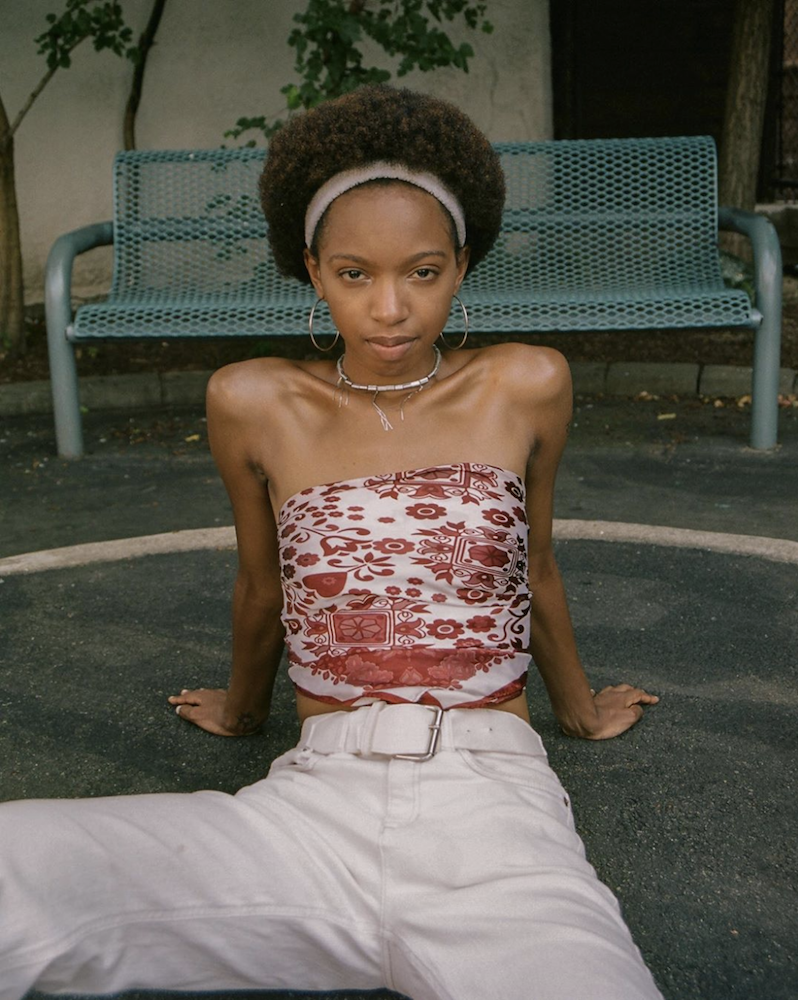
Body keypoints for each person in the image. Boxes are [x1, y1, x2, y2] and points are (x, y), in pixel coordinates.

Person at [0, 84, 662, 1000]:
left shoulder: (526, 383)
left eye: (422, 272)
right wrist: (243, 711)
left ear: (462, 266)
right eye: (355, 274)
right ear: (312, 270)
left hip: (496, 812)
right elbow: (261, 583)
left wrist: (579, 712)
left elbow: (534, 565)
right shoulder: (252, 400)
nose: (390, 307)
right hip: (306, 810)